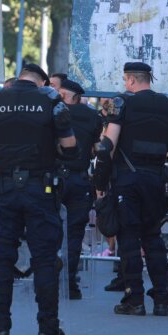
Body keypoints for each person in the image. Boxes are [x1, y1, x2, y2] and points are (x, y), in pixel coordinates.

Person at [0, 63, 75, 335]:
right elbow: (70, 146)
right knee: (44, 258)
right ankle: (48, 330)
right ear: (42, 81)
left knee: (2, 259)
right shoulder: (50, 100)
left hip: (5, 188)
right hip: (40, 188)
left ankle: (0, 328)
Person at [92, 62, 168, 316]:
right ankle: (162, 298)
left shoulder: (123, 103)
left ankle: (135, 298)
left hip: (128, 181)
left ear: (131, 80)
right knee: (153, 237)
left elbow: (106, 146)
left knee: (129, 239)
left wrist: (100, 184)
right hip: (155, 179)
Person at [56, 79, 102, 300]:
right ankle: (69, 281)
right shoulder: (92, 116)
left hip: (54, 178)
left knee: (48, 231)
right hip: (79, 179)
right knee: (74, 234)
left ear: (67, 95)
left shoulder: (53, 111)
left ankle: (48, 279)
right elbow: (96, 149)